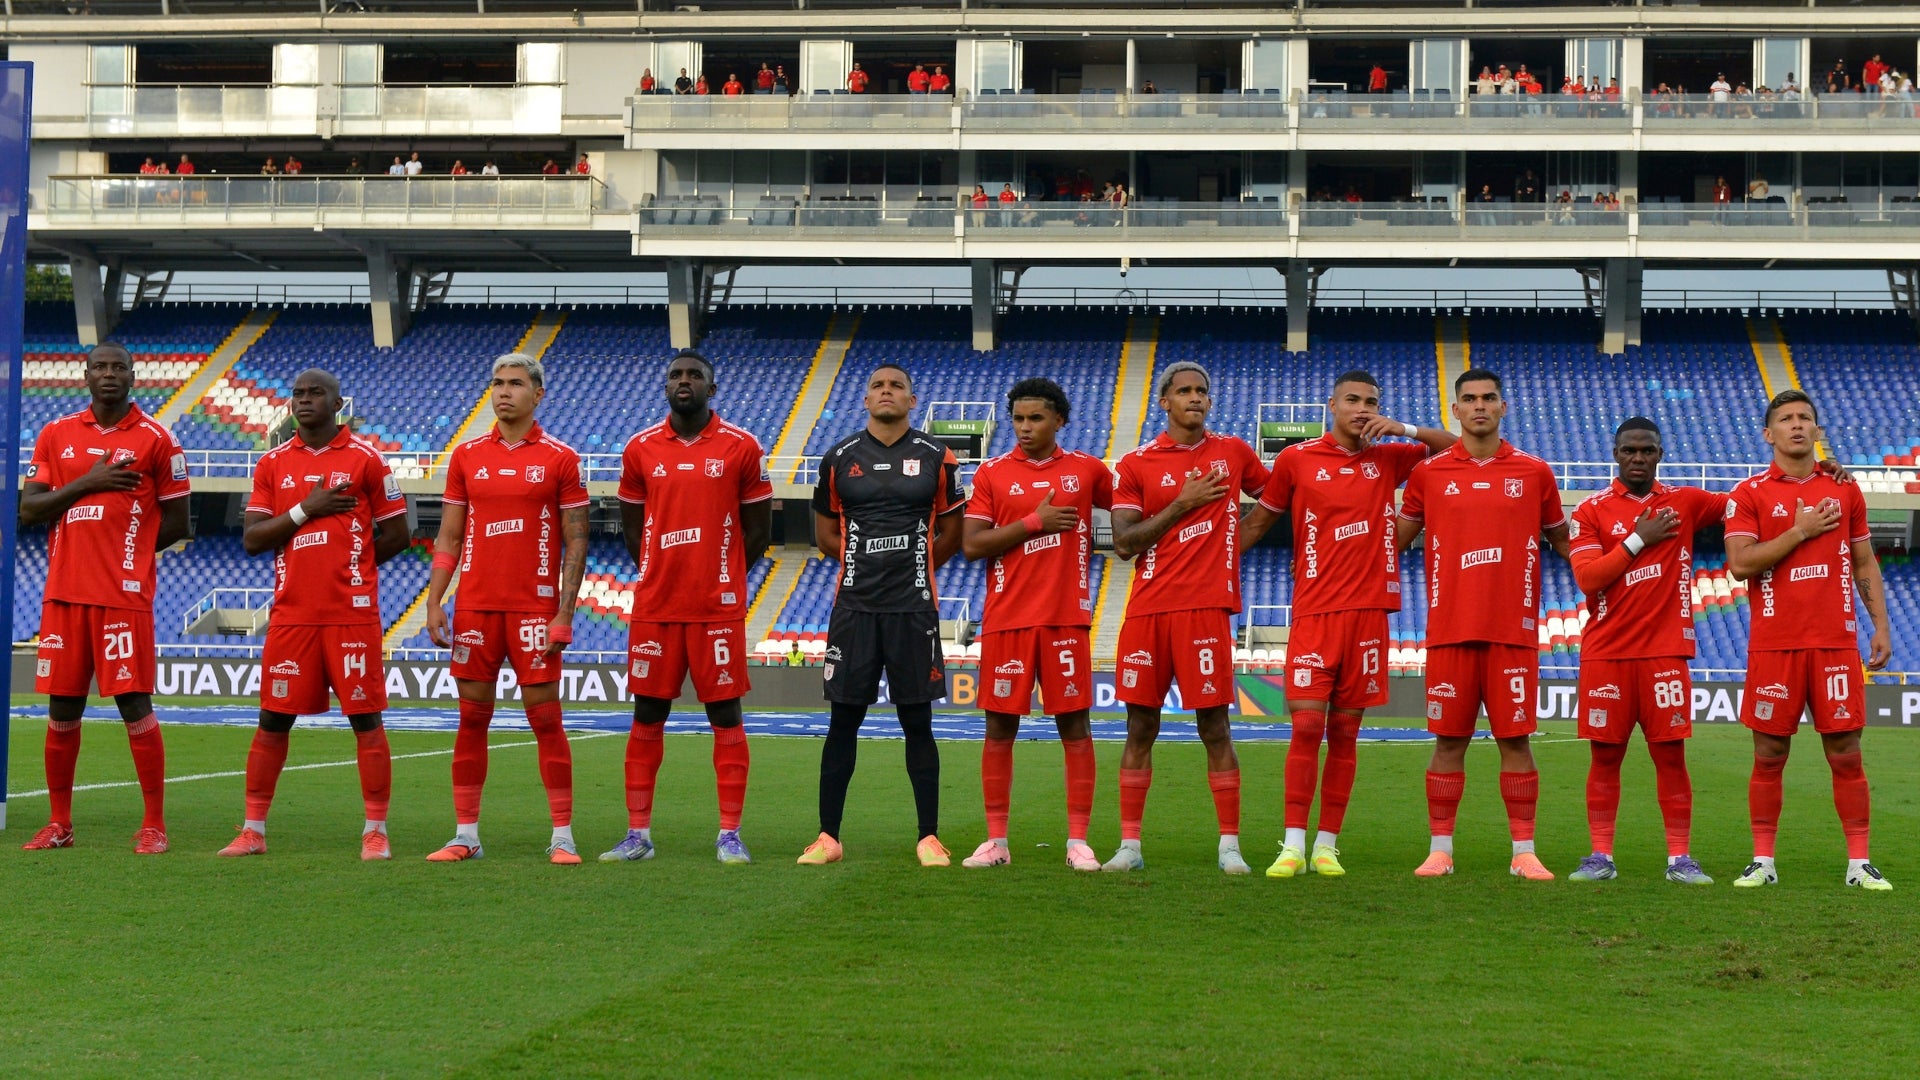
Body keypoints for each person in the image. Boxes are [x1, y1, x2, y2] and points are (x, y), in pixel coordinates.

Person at [1239, 371, 1455, 877]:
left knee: (1344, 731)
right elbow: (1259, 520)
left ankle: (1326, 846)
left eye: (1371, 402)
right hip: (1315, 611)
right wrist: (1213, 566)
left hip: (1370, 614)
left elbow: (1457, 447)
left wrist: (1401, 427)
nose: (1362, 409)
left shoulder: (1390, 456)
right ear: (1331, 404)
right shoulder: (1297, 459)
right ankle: (1292, 844)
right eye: (1353, 401)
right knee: (1307, 725)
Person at [218, 370, 409, 861]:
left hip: (351, 614)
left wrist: (353, 567)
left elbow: (398, 535)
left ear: (337, 402)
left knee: (366, 720)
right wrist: (306, 509)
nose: (304, 400)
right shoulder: (272, 464)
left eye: (315, 393)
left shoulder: (366, 460)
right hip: (292, 616)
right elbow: (253, 539)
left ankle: (376, 830)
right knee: (272, 719)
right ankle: (253, 830)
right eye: (298, 394)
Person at [1396, 368, 1570, 881]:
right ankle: (1440, 849)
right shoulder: (1429, 475)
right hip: (1449, 630)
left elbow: (1565, 541)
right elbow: (1394, 539)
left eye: (1488, 398)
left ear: (1503, 407)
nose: (1479, 406)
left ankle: (1524, 852)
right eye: (1468, 399)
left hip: (1512, 633)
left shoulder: (1536, 472)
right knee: (1448, 742)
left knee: (1515, 742)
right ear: (1455, 410)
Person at [19, 344, 191, 855]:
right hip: (64, 594)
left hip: (123, 597)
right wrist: (90, 482)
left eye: (119, 367)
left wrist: (128, 555)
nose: (109, 374)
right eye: (101, 367)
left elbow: (178, 523)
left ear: (133, 377)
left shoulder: (158, 439)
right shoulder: (56, 434)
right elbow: (30, 508)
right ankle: (59, 823)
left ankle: (155, 825)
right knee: (61, 708)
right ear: (86, 375)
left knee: (134, 703)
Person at [605, 350, 773, 865]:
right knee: (647, 712)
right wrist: (659, 570)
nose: (684, 381)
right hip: (656, 605)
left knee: (725, 713)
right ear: (665, 386)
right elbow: (632, 527)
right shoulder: (640, 448)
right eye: (676, 374)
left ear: (711, 388)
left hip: (716, 607)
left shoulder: (742, 446)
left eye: (694, 375)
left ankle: (729, 833)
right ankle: (638, 835)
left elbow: (759, 530)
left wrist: (719, 575)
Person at [424, 354, 591, 865]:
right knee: (471, 720)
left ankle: (562, 836)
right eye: (497, 383)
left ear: (538, 394)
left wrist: (563, 612)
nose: (503, 392)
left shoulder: (561, 458)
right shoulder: (466, 456)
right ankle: (466, 835)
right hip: (475, 610)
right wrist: (435, 600)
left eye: (515, 384)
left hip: (534, 612)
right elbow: (450, 535)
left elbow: (576, 539)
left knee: (546, 721)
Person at [1104, 362, 1269, 874]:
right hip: (1148, 611)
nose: (1195, 398)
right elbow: (1125, 543)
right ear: (1164, 402)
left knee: (1215, 727)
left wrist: (1231, 548)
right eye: (1184, 391)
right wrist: (1182, 504)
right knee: (1140, 726)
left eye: (1202, 391)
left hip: (1205, 611)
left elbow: (1279, 500)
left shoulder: (1234, 452)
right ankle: (1129, 846)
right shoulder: (1136, 463)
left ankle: (1229, 847)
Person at [1725, 390, 1892, 891]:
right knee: (1769, 754)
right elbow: (1740, 564)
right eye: (1786, 419)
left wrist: (1880, 624)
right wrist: (1799, 531)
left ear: (1818, 431)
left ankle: (1859, 865)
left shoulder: (1845, 490)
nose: (1797, 425)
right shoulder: (1748, 493)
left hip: (1836, 644)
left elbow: (1863, 561)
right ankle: (1763, 861)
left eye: (1805, 418)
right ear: (1767, 433)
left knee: (1846, 751)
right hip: (1775, 645)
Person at [799, 366, 966, 868]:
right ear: (866, 399)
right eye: (878, 385)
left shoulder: (938, 456)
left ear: (912, 400)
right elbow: (826, 534)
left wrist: (911, 565)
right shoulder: (839, 458)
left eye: (896, 385)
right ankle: (828, 837)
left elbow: (953, 533)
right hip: (854, 609)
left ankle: (929, 838)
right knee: (842, 723)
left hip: (914, 609)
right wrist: (863, 566)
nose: (886, 391)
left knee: (918, 721)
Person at [957, 378, 1115, 872]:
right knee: (999, 727)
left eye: (1036, 419)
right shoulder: (992, 473)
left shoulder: (1088, 471)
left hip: (1068, 618)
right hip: (1008, 620)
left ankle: (1078, 842)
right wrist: (1034, 522)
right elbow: (972, 545)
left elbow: (1129, 517)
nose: (1025, 428)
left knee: (1075, 726)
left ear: (1059, 420)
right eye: (1019, 419)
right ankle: (997, 841)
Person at [1563, 418, 1724, 886]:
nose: (1638, 458)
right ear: (1615, 453)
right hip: (1606, 654)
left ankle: (1679, 860)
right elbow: (1588, 579)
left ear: (1660, 454)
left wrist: (1815, 470)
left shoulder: (1686, 502)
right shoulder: (1591, 510)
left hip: (1665, 654)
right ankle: (1599, 856)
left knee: (1671, 757)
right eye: (1630, 450)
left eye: (1647, 450)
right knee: (1605, 757)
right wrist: (1638, 538)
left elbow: (1750, 500)